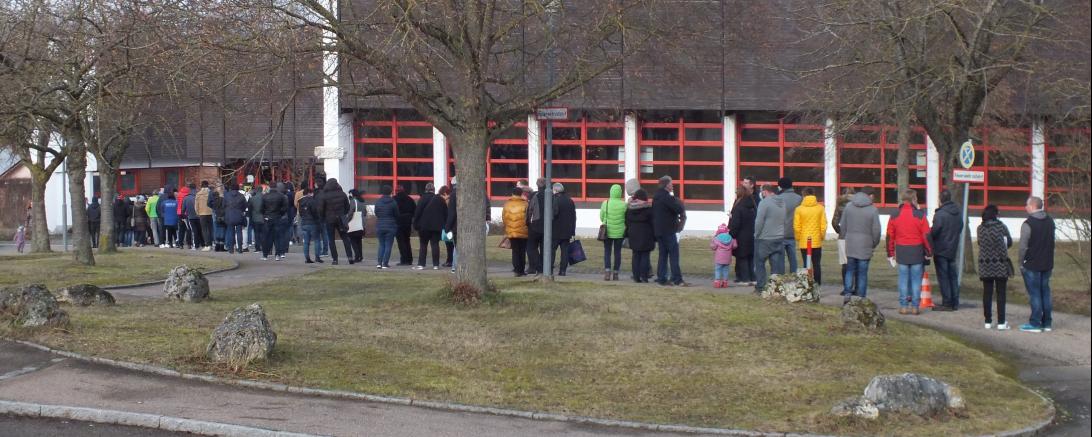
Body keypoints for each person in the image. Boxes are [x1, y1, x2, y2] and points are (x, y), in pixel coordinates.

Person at [886, 189, 932, 315]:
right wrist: (929, 251)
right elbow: (926, 235)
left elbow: (890, 236)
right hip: (917, 250)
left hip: (902, 250)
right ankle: (915, 306)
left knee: (903, 279)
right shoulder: (920, 215)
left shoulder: (894, 215)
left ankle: (903, 306)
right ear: (913, 199)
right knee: (916, 280)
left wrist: (890, 253)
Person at [1019, 196, 1055, 333]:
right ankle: (1047, 322)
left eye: (1027, 205)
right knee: (1045, 293)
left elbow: (1023, 246)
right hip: (1047, 263)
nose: (1025, 207)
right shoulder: (1050, 221)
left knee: (1035, 294)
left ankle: (1035, 323)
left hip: (1032, 264)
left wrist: (1021, 262)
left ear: (1033, 206)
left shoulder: (1028, 224)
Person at [839, 187, 881, 302]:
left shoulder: (848, 207)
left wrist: (844, 239)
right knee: (862, 272)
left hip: (850, 242)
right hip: (865, 244)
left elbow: (843, 226)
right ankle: (861, 297)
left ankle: (847, 293)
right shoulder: (873, 210)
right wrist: (874, 243)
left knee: (849, 270)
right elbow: (876, 230)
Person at [977, 205, 1013, 330]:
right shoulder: (1001, 227)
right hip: (1000, 264)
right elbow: (1009, 242)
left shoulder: (980, 229)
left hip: (985, 264)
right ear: (995, 214)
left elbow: (980, 243)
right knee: (1001, 293)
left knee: (987, 293)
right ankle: (1001, 322)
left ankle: (987, 321)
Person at [930, 189, 963, 311]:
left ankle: (947, 302)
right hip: (952, 247)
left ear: (940, 200)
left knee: (943, 276)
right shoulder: (957, 212)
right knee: (952, 276)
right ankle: (955, 301)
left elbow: (934, 231)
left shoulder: (940, 214)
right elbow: (960, 227)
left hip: (941, 248)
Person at [652, 176, 687, 286]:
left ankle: (662, 278)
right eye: (671, 183)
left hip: (659, 230)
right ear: (667, 185)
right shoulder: (667, 197)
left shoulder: (656, 197)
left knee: (662, 255)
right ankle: (677, 279)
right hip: (668, 230)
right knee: (673, 255)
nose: (673, 185)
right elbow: (679, 209)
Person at [753, 184, 785, 292]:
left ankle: (761, 287)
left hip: (765, 238)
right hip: (779, 237)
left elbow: (759, 221)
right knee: (776, 265)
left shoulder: (764, 203)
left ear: (765, 191)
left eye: (762, 192)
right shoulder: (782, 203)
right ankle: (775, 287)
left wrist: (756, 234)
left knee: (760, 262)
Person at [793, 187, 827, 284]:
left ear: (803, 195)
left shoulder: (799, 209)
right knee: (816, 264)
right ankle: (818, 285)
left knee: (806, 263)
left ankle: (807, 285)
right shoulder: (820, 208)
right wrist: (821, 236)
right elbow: (823, 225)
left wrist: (798, 237)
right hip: (816, 241)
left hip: (804, 240)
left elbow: (797, 226)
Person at [316, 178, 354, 265]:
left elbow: (321, 209)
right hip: (340, 218)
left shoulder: (324, 195)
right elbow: (347, 207)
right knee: (345, 238)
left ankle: (335, 259)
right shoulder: (342, 194)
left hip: (329, 219)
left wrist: (322, 218)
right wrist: (342, 214)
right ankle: (350, 257)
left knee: (331, 239)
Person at [415, 185, 449, 270]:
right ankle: (436, 264)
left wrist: (416, 224)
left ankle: (421, 264)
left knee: (423, 245)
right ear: (434, 190)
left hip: (424, 225)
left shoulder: (422, 198)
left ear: (426, 190)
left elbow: (417, 212)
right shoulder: (440, 200)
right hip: (436, 226)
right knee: (435, 244)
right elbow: (446, 214)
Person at [728, 185, 756, 285]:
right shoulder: (752, 206)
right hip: (751, 235)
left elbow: (735, 224)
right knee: (750, 257)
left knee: (742, 257)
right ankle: (753, 278)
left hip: (741, 236)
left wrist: (731, 234)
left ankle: (744, 279)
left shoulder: (738, 207)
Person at [624, 189, 654, 283]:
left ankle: (636, 276)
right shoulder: (648, 209)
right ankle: (644, 277)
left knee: (635, 255)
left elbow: (627, 222)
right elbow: (653, 222)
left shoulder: (629, 209)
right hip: (646, 234)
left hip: (633, 234)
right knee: (645, 256)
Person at [599, 183, 628, 281]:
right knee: (617, 252)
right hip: (620, 233)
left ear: (611, 192)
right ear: (620, 193)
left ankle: (607, 272)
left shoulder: (605, 203)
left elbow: (601, 217)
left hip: (607, 232)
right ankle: (616, 273)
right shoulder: (624, 205)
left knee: (607, 252)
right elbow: (626, 218)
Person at [525, 178, 551, 275]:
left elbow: (530, 210)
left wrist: (528, 222)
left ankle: (538, 267)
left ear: (537, 185)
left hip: (536, 225)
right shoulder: (551, 195)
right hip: (548, 226)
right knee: (545, 248)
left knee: (531, 247)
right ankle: (545, 268)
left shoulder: (535, 196)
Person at [550, 183, 577, 276]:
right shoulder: (570, 201)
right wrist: (573, 231)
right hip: (567, 230)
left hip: (555, 230)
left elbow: (554, 214)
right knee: (565, 251)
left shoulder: (555, 200)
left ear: (556, 191)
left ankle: (549, 270)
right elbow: (574, 217)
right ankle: (562, 271)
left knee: (551, 250)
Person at [502, 186, 529, 276]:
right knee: (522, 251)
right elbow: (528, 217)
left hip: (511, 231)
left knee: (515, 251)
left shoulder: (507, 204)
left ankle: (516, 270)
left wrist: (508, 227)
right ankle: (521, 270)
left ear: (512, 194)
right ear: (521, 194)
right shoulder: (525, 204)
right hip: (523, 231)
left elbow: (504, 218)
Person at [831, 188, 854, 293]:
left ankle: (846, 288)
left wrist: (840, 231)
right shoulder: (857, 205)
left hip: (843, 236)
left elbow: (834, 222)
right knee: (856, 262)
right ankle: (857, 287)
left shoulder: (840, 205)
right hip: (855, 236)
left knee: (845, 263)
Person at [777, 177, 802, 272]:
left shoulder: (778, 198)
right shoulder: (799, 198)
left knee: (780, 259)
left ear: (781, 187)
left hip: (780, 232)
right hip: (793, 232)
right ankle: (794, 275)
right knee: (793, 258)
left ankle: (781, 278)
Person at [261, 183, 290, 260]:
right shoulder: (281, 196)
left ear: (269, 187)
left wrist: (265, 215)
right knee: (278, 237)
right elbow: (285, 207)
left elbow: (261, 208)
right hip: (277, 217)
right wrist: (280, 213)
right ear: (276, 187)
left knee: (267, 237)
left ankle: (265, 254)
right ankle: (278, 254)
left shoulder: (265, 196)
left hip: (268, 218)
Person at [373, 185, 399, 269]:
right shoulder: (393, 202)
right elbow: (397, 215)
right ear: (390, 192)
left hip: (380, 225)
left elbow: (376, 213)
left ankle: (379, 263)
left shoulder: (378, 202)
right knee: (388, 245)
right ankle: (385, 263)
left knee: (381, 245)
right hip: (391, 226)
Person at [297, 186, 323, 263]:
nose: (312, 194)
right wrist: (318, 220)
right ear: (309, 193)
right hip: (313, 223)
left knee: (306, 242)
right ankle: (317, 257)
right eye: (311, 193)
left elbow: (301, 213)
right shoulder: (312, 201)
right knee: (317, 240)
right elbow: (315, 212)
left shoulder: (300, 201)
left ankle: (307, 258)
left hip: (304, 222)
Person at [394, 185, 417, 266]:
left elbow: (393, 211)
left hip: (398, 223)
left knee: (401, 242)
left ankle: (404, 260)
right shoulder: (410, 199)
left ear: (396, 191)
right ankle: (409, 259)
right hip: (407, 223)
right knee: (407, 241)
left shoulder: (394, 199)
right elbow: (415, 211)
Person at [223, 181, 248, 254]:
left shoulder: (226, 195)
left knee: (230, 232)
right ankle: (240, 248)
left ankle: (231, 249)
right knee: (239, 232)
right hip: (239, 216)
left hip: (229, 216)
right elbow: (245, 206)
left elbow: (223, 205)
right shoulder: (241, 196)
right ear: (238, 188)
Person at [710, 224, 737, 288]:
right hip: (727, 258)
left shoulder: (716, 239)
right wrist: (734, 241)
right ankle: (725, 282)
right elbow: (735, 246)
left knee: (718, 270)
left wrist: (712, 242)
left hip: (719, 258)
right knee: (726, 270)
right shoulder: (731, 238)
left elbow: (713, 247)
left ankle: (717, 282)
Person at [347, 189, 367, 264]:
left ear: (352, 194)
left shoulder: (353, 201)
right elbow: (365, 212)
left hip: (353, 223)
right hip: (361, 223)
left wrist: (347, 221)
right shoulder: (362, 201)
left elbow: (351, 212)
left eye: (350, 194)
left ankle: (357, 256)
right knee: (359, 240)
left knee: (353, 240)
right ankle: (360, 256)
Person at [247, 185, 266, 256]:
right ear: (261, 190)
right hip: (263, 218)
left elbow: (249, 209)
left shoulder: (252, 199)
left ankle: (257, 247)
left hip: (255, 218)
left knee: (257, 233)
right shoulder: (265, 197)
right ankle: (264, 246)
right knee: (264, 233)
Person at [182, 184, 202, 250]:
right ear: (195, 188)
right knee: (199, 230)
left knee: (193, 231)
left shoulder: (186, 197)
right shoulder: (199, 196)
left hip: (190, 217)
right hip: (199, 216)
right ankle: (202, 244)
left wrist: (183, 215)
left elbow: (183, 209)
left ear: (189, 189)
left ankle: (194, 245)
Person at [196, 181, 213, 251]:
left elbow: (196, 205)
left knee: (204, 229)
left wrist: (197, 212)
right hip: (210, 213)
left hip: (202, 213)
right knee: (210, 229)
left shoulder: (198, 194)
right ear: (207, 185)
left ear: (201, 186)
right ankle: (211, 243)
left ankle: (207, 245)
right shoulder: (211, 193)